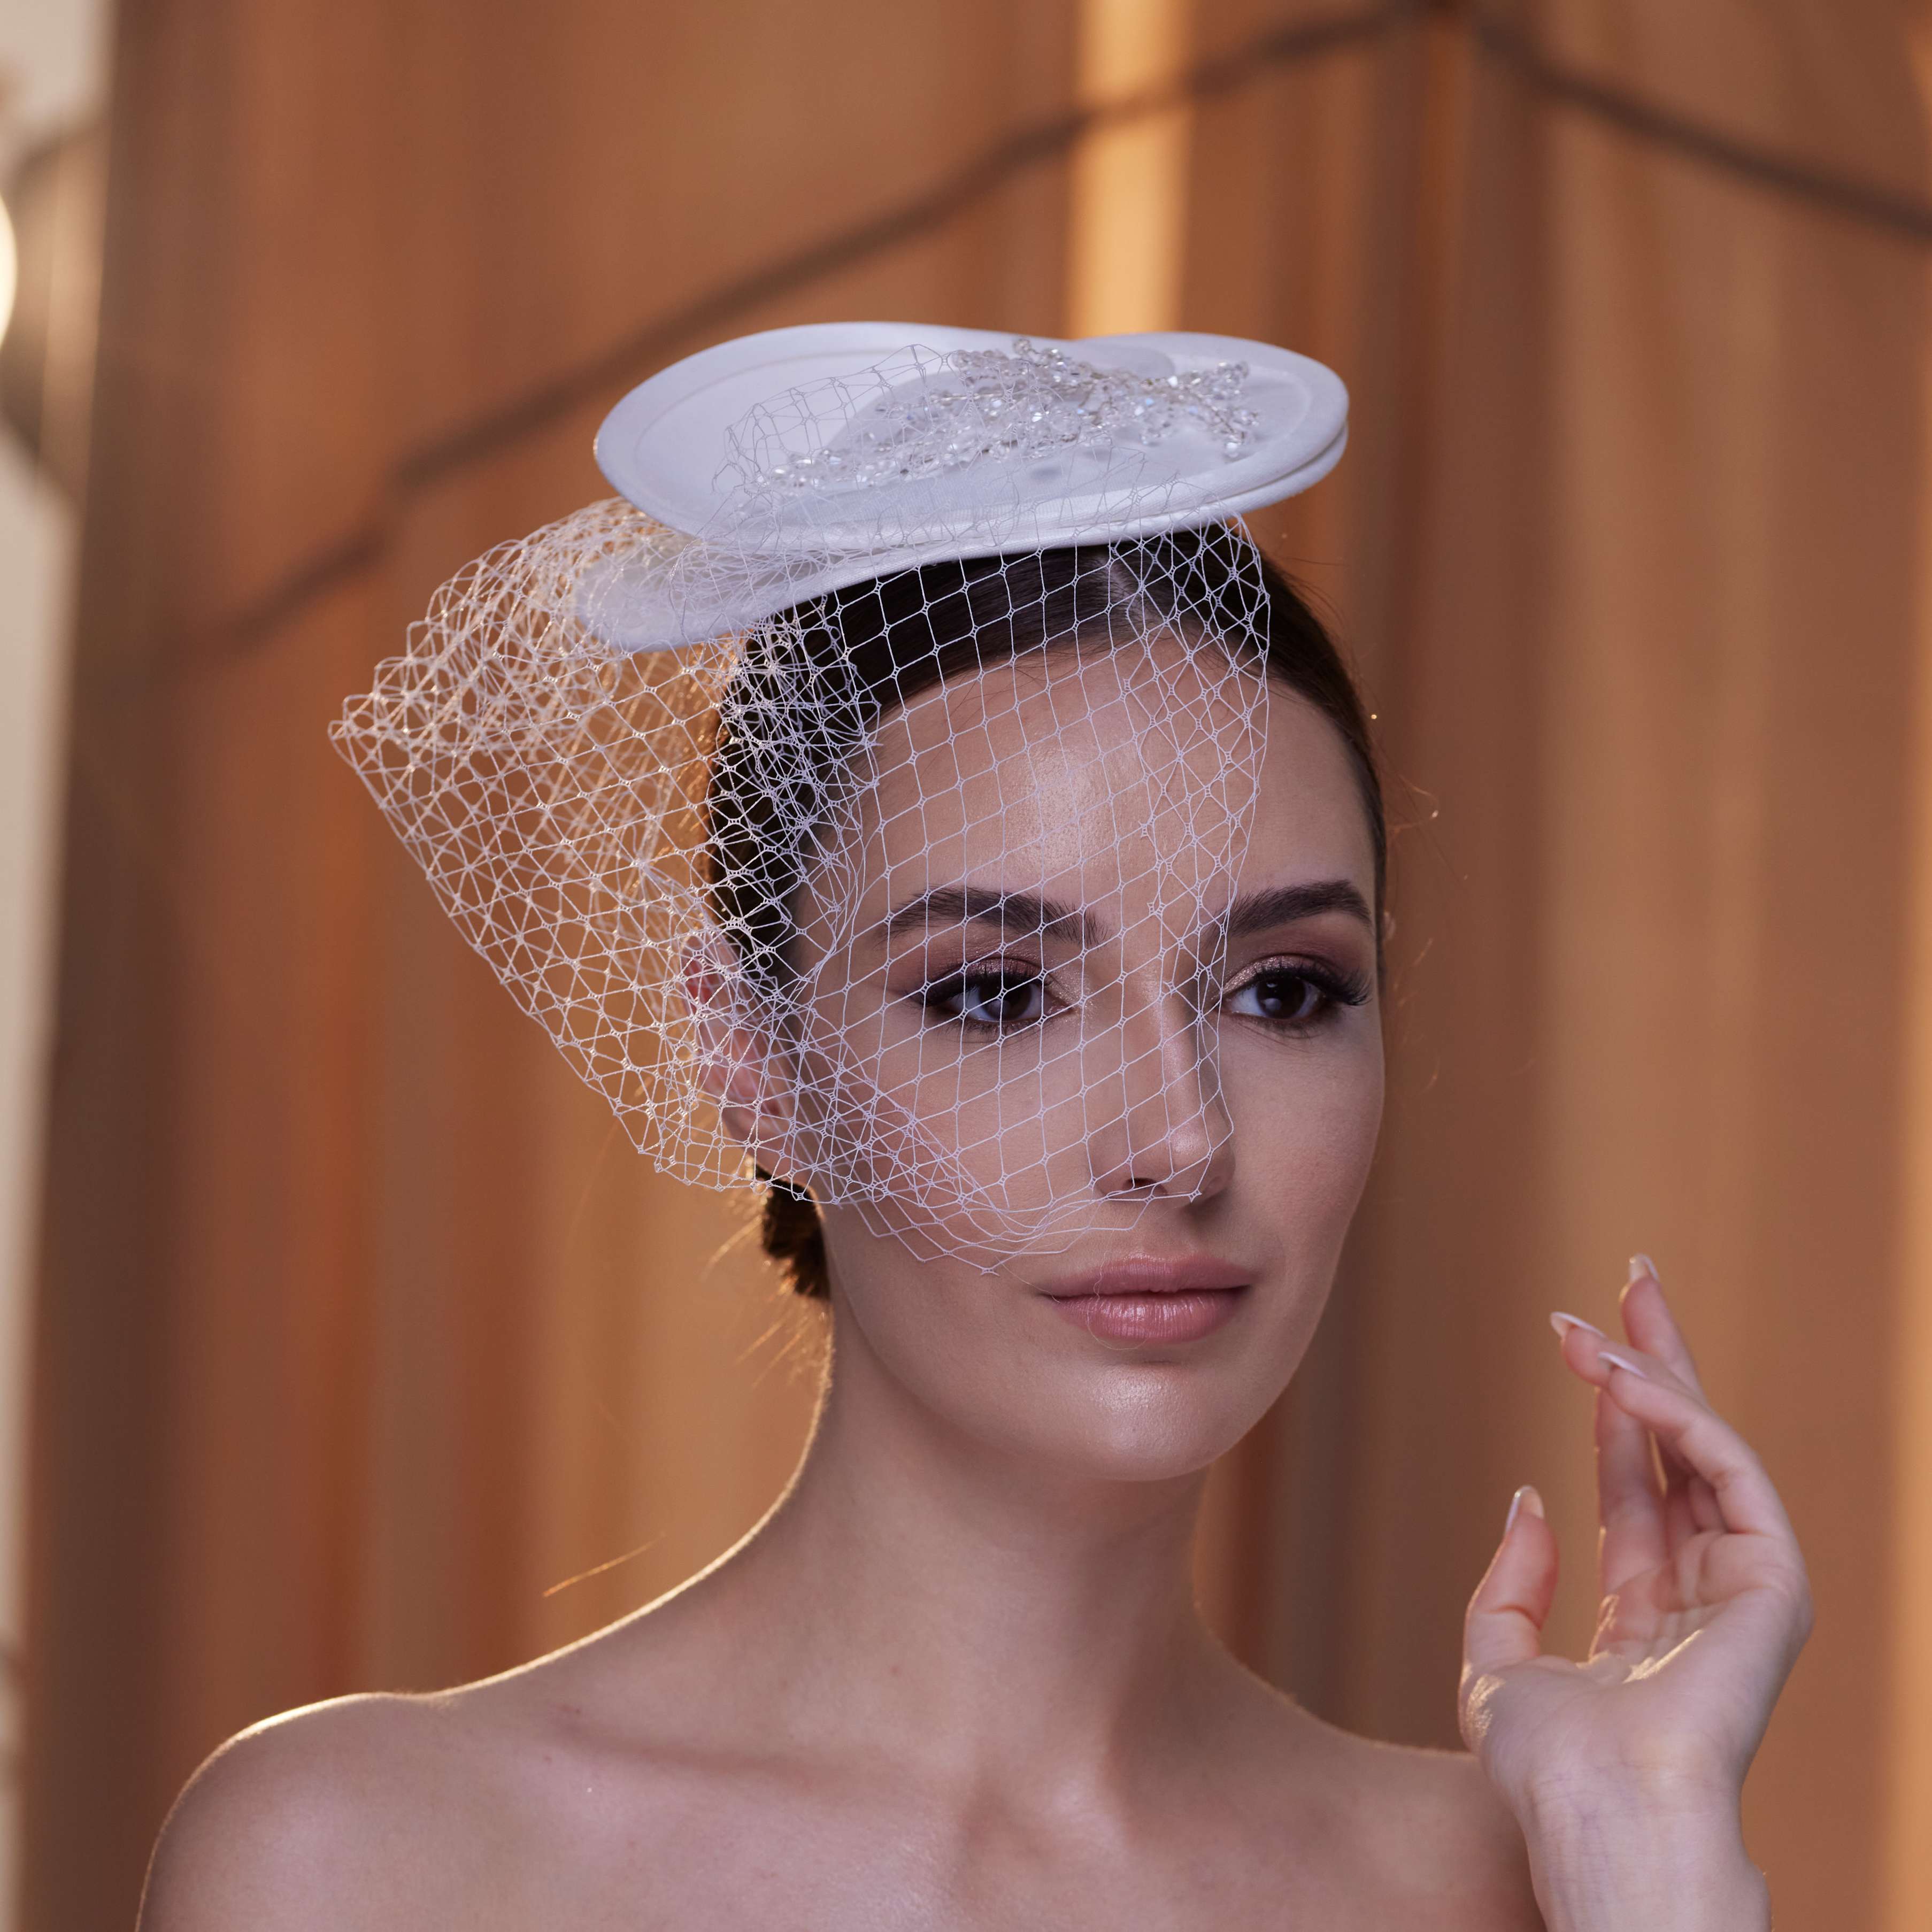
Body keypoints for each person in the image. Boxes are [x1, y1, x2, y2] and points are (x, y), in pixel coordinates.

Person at [139, 327, 1810, 1929]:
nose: (1180, 1140)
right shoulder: (368, 1863)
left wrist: (1653, 1866)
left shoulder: (1523, 1875)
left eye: (1285, 991)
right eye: (999, 994)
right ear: (749, 1053)